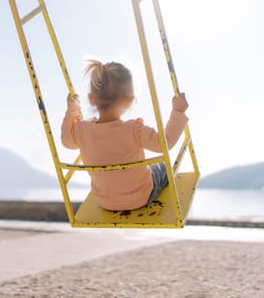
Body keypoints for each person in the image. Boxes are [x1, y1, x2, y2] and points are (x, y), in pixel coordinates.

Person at [61, 59, 189, 211]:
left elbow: (66, 141)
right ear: (129, 101)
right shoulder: (135, 130)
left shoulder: (82, 130)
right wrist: (178, 112)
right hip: (141, 198)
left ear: (91, 99)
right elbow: (164, 143)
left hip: (106, 202)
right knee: (163, 167)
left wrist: (72, 109)